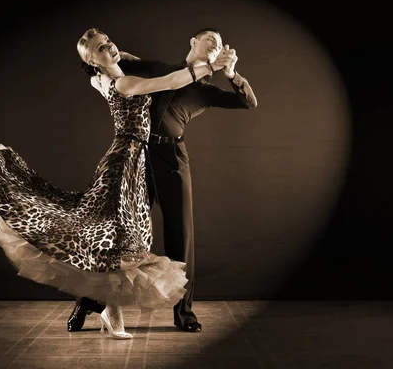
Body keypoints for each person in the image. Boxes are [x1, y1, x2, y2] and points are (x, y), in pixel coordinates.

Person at [0, 27, 230, 339]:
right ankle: (101, 307)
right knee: (118, 240)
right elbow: (171, 81)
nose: (111, 48)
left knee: (116, 239)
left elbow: (115, 61)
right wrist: (211, 66)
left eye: (110, 42)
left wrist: (114, 56)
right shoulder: (124, 82)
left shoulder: (106, 76)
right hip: (126, 163)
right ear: (93, 60)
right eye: (102, 48)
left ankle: (100, 307)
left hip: (136, 159)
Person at [68, 28, 258, 333]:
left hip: (172, 158)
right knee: (122, 237)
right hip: (137, 156)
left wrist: (232, 73)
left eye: (221, 44)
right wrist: (103, 63)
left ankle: (184, 313)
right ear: (193, 43)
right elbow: (113, 60)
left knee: (181, 237)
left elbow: (247, 102)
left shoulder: (205, 90)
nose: (217, 45)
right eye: (210, 39)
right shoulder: (158, 69)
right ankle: (91, 300)